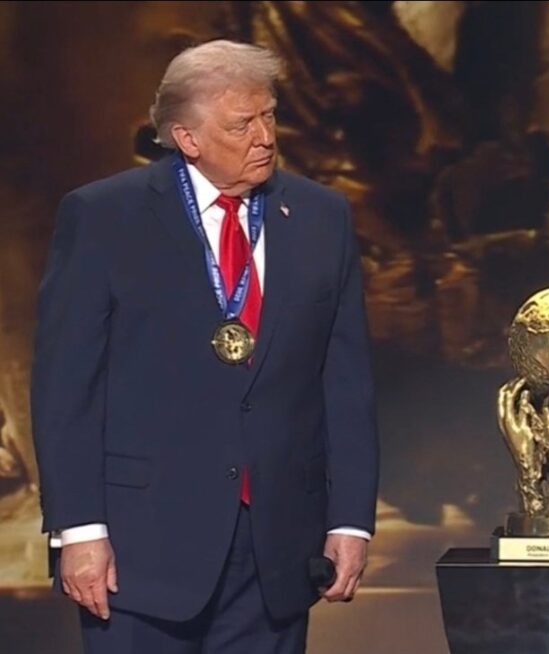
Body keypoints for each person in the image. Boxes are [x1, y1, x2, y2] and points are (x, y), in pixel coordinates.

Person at [31, 39, 379, 653]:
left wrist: (350, 519)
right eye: (241, 124)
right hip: (140, 549)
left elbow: (345, 382)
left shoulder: (322, 217)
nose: (264, 137)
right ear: (186, 138)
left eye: (269, 115)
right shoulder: (105, 216)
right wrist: (79, 529)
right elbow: (67, 389)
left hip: (276, 550)